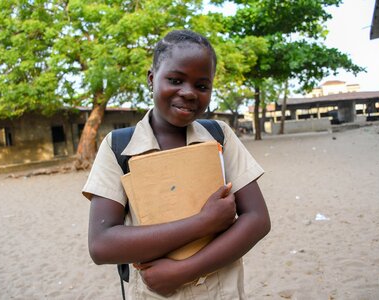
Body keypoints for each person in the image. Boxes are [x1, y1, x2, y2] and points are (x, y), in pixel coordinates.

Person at [82, 29, 270, 299]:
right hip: (153, 293)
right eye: (175, 79)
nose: (189, 93)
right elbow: (101, 245)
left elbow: (258, 220)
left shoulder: (220, 137)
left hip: (220, 291)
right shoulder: (118, 148)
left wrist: (185, 270)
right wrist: (202, 223)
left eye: (202, 86)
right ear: (151, 78)